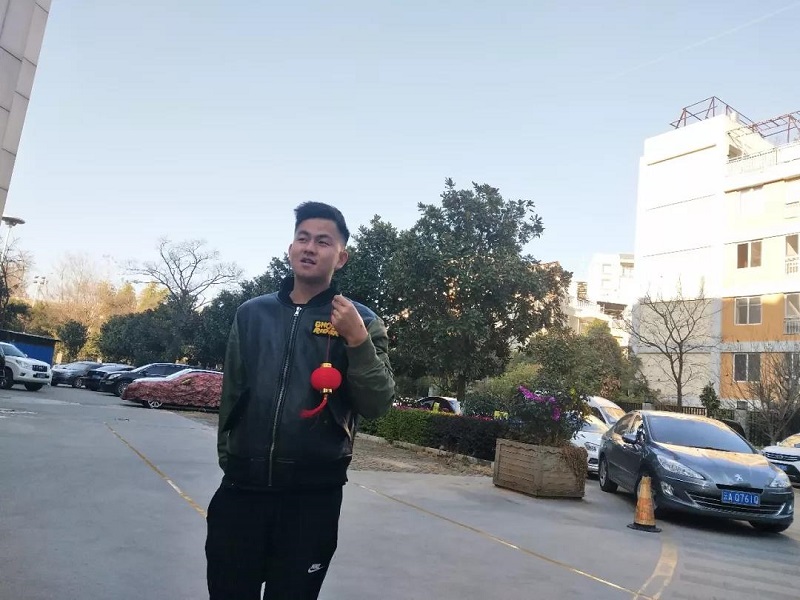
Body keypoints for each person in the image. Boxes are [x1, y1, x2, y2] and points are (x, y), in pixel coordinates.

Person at [205, 202, 395, 599]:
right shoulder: (251, 314)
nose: (309, 248)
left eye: (323, 241)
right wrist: (232, 461)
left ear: (341, 257)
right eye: (302, 238)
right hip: (242, 490)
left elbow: (377, 404)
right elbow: (232, 394)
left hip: (312, 498)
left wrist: (358, 341)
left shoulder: (361, 320)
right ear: (291, 248)